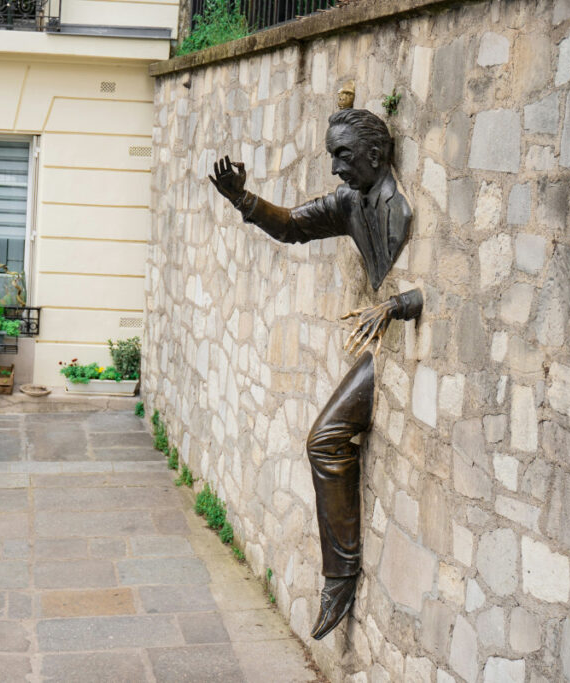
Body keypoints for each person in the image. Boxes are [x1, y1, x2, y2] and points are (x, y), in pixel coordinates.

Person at [209, 108, 423, 640]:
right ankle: (339, 574)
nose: (335, 169)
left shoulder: (401, 208)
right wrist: (243, 199)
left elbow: (438, 292)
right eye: (333, 156)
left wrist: (396, 304)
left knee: (323, 440)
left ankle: (341, 576)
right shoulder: (351, 202)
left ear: (376, 154)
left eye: (342, 156)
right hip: (379, 351)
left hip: (393, 350)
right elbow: (292, 226)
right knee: (323, 440)